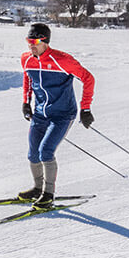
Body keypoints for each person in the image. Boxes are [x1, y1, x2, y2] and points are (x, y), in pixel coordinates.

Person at [19, 22, 95, 207]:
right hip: (40, 114)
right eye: (28, 41)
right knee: (33, 154)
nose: (31, 45)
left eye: (34, 41)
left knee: (46, 152)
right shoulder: (26, 59)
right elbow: (28, 77)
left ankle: (48, 194)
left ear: (45, 41)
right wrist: (26, 102)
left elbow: (88, 79)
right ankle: (37, 188)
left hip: (62, 114)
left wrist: (85, 109)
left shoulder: (63, 60)